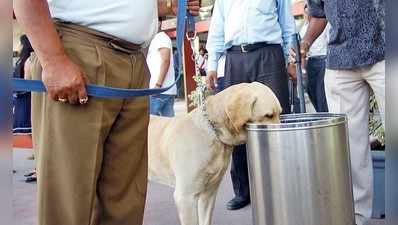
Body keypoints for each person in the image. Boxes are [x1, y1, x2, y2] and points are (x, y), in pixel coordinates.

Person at [13, 1, 199, 225]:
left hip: (134, 60)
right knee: (69, 203)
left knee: (126, 201)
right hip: (80, 51)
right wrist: (54, 60)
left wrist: (166, 6)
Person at [288, 1, 385, 224]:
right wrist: (306, 42)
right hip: (340, 60)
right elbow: (320, 13)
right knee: (350, 149)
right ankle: (357, 217)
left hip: (385, 50)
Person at [206, 0, 295, 210]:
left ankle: (283, 187)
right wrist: (211, 65)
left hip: (269, 56)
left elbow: (288, 26)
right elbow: (217, 29)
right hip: (235, 58)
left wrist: (290, 61)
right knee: (234, 124)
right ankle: (243, 192)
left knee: (277, 122)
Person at [299, 4, 329, 112]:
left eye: (309, 11)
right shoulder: (304, 28)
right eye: (306, 11)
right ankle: (320, 113)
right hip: (310, 61)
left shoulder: (323, 23)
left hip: (322, 59)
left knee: (322, 94)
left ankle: (324, 114)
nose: (308, 13)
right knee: (312, 91)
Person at [147, 21, 177, 117]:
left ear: (159, 23)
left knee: (151, 126)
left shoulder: (160, 38)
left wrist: (158, 85)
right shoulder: (158, 38)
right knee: (168, 126)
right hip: (163, 90)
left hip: (159, 91)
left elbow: (165, 60)